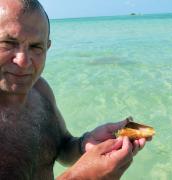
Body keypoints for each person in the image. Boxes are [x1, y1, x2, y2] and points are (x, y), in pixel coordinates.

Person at [0, 0, 151, 179]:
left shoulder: (40, 90)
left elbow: (61, 147)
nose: (23, 61)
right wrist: (81, 177)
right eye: (8, 43)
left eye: (35, 47)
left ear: (47, 47)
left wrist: (85, 144)